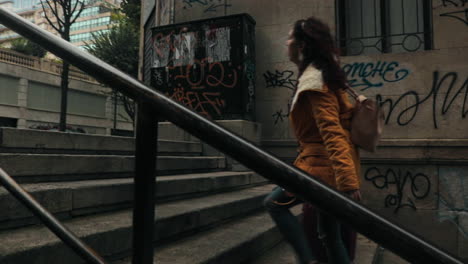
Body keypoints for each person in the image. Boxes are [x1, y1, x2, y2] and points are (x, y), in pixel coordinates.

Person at [263, 17, 362, 264]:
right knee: (330, 234)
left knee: (274, 204)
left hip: (320, 169)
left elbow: (332, 132)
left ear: (302, 46)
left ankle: (306, 260)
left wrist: (348, 182)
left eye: (289, 37)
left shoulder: (315, 83)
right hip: (323, 166)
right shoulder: (323, 74)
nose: (285, 42)